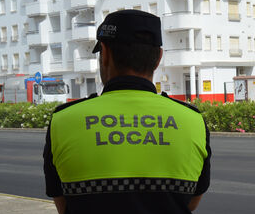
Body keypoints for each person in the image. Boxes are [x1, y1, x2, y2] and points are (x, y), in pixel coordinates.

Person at [43, 10, 211, 214]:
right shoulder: (192, 121)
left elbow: (63, 205)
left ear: (105, 53)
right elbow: (191, 203)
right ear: (158, 58)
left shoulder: (63, 121)